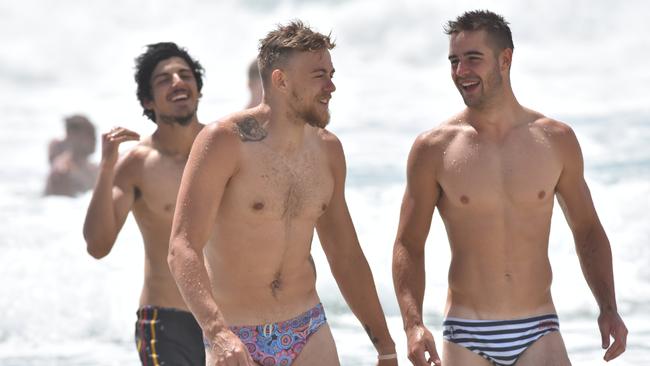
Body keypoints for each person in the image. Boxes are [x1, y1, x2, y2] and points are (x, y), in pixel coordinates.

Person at [392, 10, 627, 366]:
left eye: (473, 59)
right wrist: (412, 325)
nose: (460, 71)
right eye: (454, 61)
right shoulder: (434, 148)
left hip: (538, 326)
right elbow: (409, 243)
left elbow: (587, 228)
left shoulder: (555, 140)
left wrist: (608, 308)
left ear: (505, 59)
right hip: (466, 331)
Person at [168, 21, 397, 366]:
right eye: (319, 75)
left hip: (308, 328)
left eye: (332, 73)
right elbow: (182, 246)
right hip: (237, 336)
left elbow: (345, 255)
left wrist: (386, 347)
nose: (331, 86)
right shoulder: (225, 142)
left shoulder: (328, 151)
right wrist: (217, 333)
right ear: (280, 80)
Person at [83, 42, 207, 365]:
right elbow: (98, 245)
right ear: (148, 101)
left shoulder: (225, 150)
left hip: (233, 318)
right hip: (166, 324)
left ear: (197, 88)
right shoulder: (137, 164)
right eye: (165, 79)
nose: (178, 82)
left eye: (185, 75)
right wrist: (107, 167)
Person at [44, 114, 98, 196]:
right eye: (90, 134)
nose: (95, 140)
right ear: (73, 136)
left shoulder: (93, 168)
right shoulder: (62, 172)